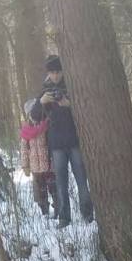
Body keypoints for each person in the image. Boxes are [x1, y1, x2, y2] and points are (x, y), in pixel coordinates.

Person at [29, 55, 92, 227]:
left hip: (74, 141)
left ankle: (88, 214)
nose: (55, 75)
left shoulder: (71, 86)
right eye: (52, 72)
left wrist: (68, 104)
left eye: (58, 71)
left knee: (82, 181)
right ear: (48, 73)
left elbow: (85, 110)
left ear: (63, 71)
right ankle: (64, 218)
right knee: (61, 184)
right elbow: (34, 117)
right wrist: (41, 102)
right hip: (56, 144)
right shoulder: (45, 91)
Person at [19, 98, 55, 218]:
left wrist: (53, 159)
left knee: (54, 188)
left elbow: (51, 143)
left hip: (48, 165)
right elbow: (24, 149)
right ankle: (45, 211)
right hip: (35, 167)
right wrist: (25, 165)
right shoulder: (25, 130)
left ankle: (58, 208)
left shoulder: (45, 124)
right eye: (30, 113)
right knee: (41, 191)